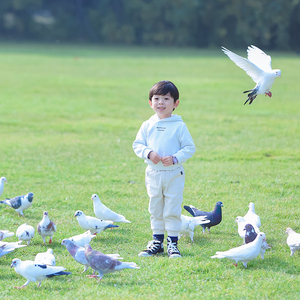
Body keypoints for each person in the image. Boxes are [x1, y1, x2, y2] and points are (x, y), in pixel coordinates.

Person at [132, 80, 196, 258]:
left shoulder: (179, 126)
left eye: (166, 98)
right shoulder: (147, 125)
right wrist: (148, 153)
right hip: (153, 173)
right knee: (155, 207)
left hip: (174, 174)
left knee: (171, 209)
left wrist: (175, 158)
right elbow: (137, 145)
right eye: (156, 98)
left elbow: (189, 148)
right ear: (150, 102)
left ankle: (173, 243)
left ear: (175, 103)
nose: (161, 102)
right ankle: (157, 242)